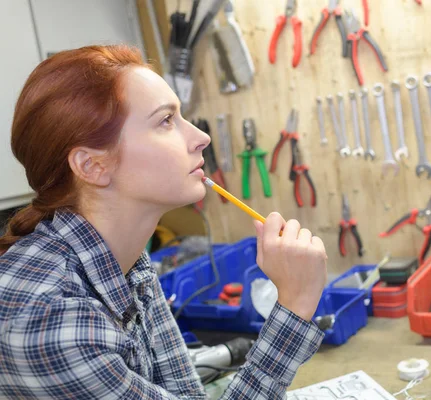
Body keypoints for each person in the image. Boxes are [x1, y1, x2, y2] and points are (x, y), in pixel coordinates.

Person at [0, 45, 328, 399]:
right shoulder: (52, 322)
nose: (201, 137)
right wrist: (294, 305)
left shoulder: (126, 260)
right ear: (93, 166)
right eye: (166, 120)